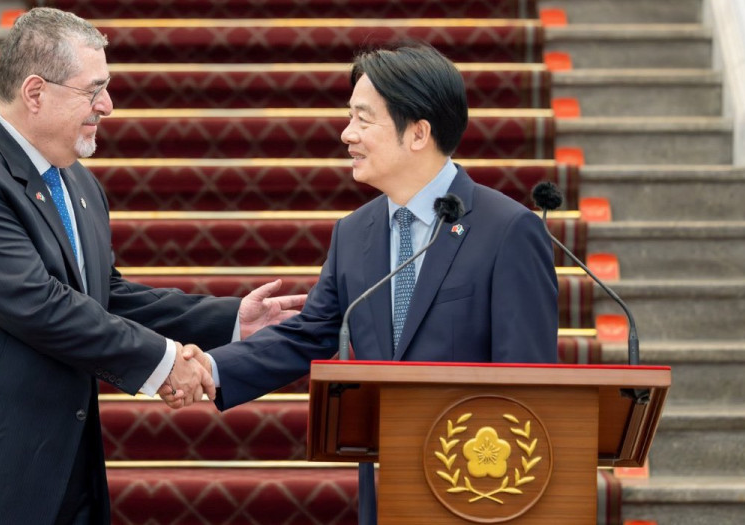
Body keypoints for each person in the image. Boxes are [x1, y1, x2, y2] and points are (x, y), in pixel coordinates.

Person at [0, 8, 303, 525]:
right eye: (94, 89)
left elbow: (104, 294)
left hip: (47, 469)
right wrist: (164, 362)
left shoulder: (77, 182)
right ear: (36, 92)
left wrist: (229, 320)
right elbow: (36, 303)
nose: (107, 105)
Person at [174, 43, 559, 525]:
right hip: (386, 481)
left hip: (482, 490)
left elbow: (532, 382)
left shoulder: (508, 229)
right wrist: (209, 367)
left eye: (363, 119)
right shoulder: (354, 231)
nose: (346, 134)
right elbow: (308, 334)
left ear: (418, 132)